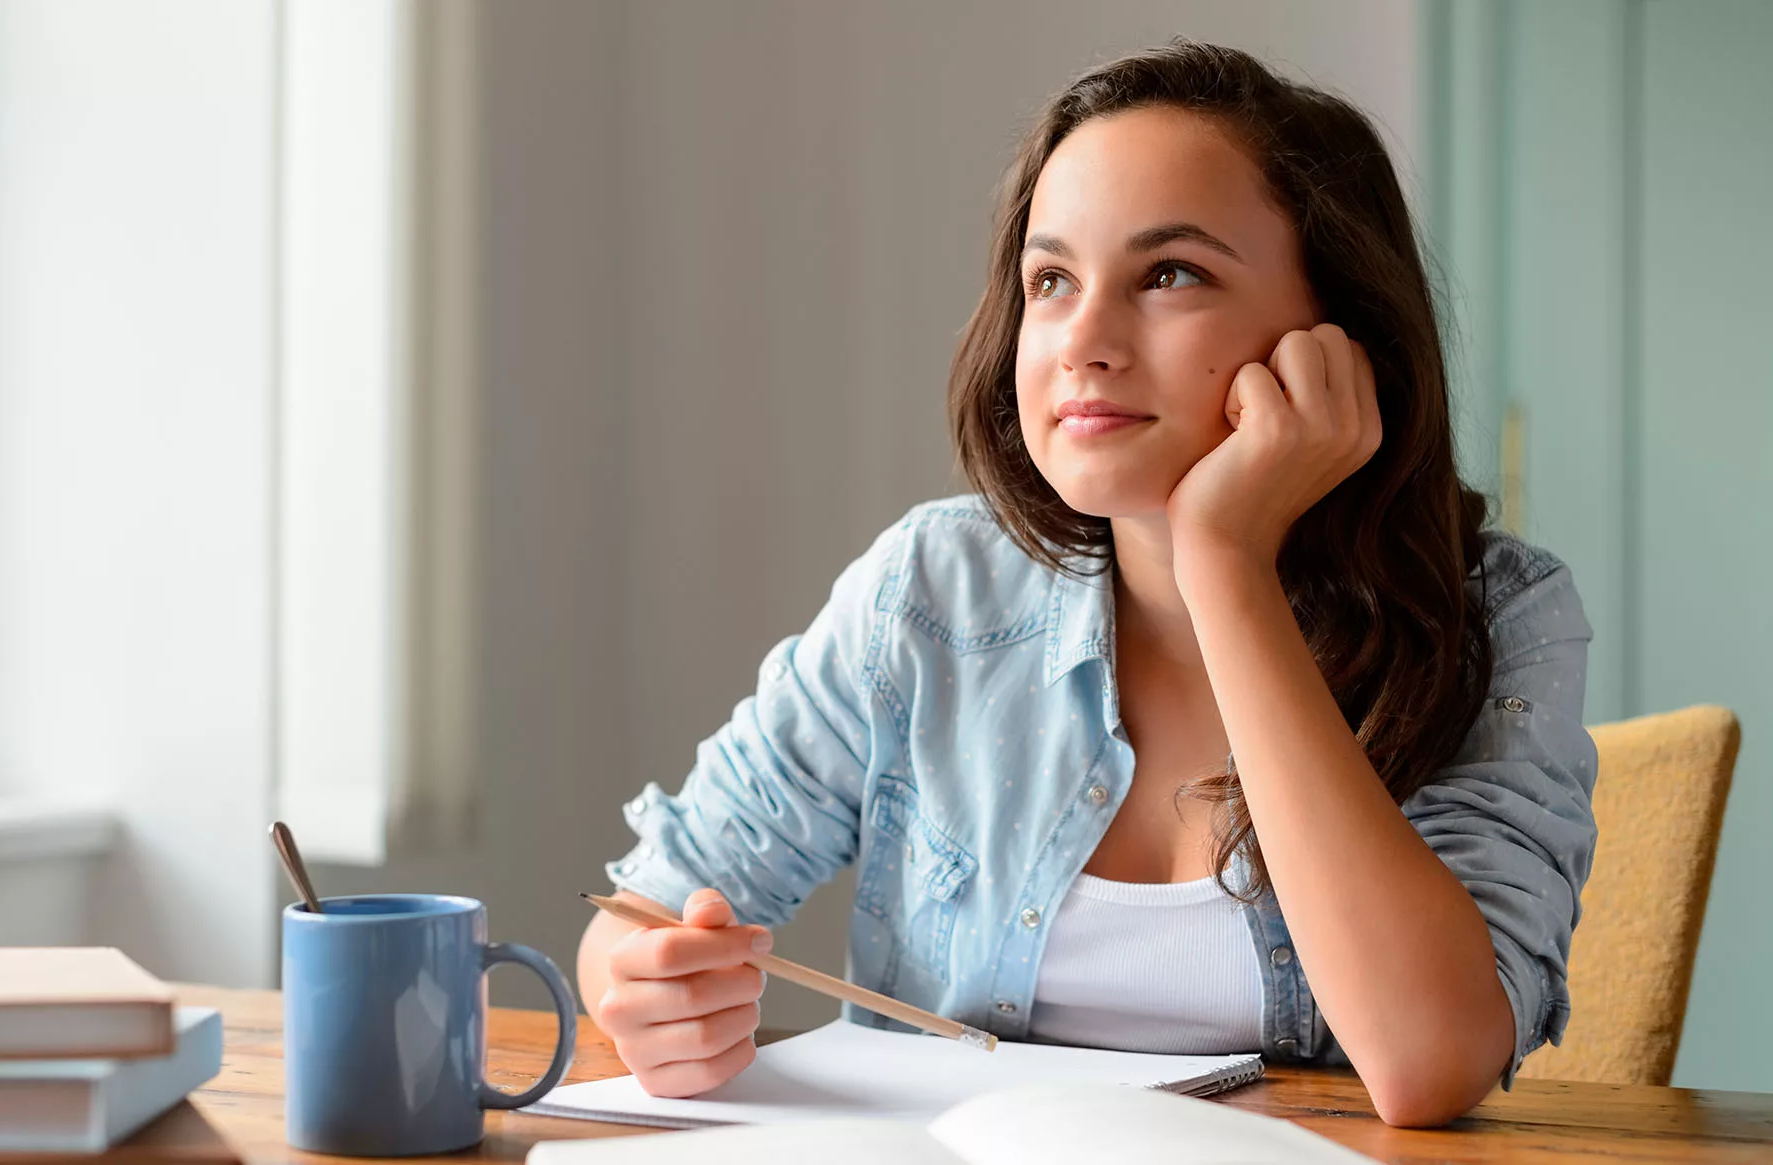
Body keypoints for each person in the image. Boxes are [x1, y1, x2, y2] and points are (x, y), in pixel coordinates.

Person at [575, 40, 1596, 1128]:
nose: (1084, 342)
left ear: (1337, 335)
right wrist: (651, 989)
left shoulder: (1498, 613)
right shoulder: (930, 592)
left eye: (1171, 274)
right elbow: (636, 917)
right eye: (1052, 280)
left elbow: (1431, 1060)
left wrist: (1225, 561)